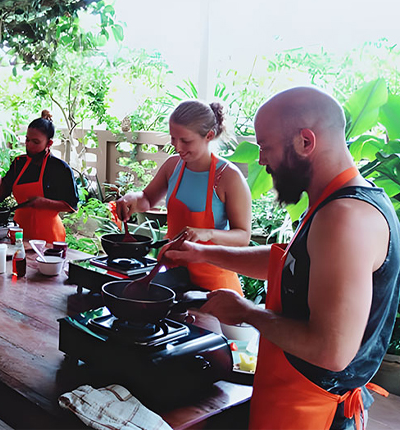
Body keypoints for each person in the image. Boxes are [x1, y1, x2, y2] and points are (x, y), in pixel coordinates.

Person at [162, 86, 400, 429]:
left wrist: (246, 312)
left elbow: (329, 351)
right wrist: (201, 253)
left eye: (265, 147)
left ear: (306, 141)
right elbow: (288, 263)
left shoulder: (344, 217)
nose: (261, 161)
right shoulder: (332, 203)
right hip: (289, 396)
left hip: (313, 411)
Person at [116, 100, 251, 294]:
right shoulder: (173, 166)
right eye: (173, 138)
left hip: (215, 286)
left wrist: (208, 233)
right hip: (173, 278)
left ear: (209, 136)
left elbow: (243, 237)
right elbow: (147, 199)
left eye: (185, 141)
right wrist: (131, 199)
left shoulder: (229, 177)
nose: (177, 147)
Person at [0, 110, 78, 244]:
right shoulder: (19, 163)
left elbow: (71, 206)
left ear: (49, 144)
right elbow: (2, 194)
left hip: (49, 237)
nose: (29, 145)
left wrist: (44, 203)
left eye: (35, 142)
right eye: (27, 140)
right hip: (19, 234)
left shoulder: (60, 168)